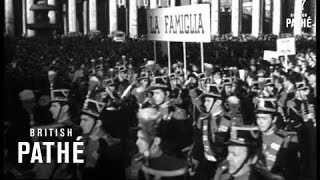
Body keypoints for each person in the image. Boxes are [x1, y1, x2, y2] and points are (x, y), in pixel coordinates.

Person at [190, 83, 231, 180]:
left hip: (223, 167)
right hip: (206, 163)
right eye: (205, 101)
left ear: (218, 102)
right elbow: (199, 142)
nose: (204, 104)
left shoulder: (230, 121)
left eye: (208, 101)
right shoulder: (203, 119)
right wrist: (195, 158)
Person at [78, 98, 126, 180]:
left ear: (98, 123)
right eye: (81, 120)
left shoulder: (110, 149)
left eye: (85, 120)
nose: (81, 124)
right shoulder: (82, 139)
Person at [254, 97, 300, 180]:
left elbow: (292, 174)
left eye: (264, 118)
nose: (260, 122)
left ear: (274, 119)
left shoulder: (287, 139)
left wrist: (268, 174)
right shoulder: (255, 137)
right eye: (258, 117)